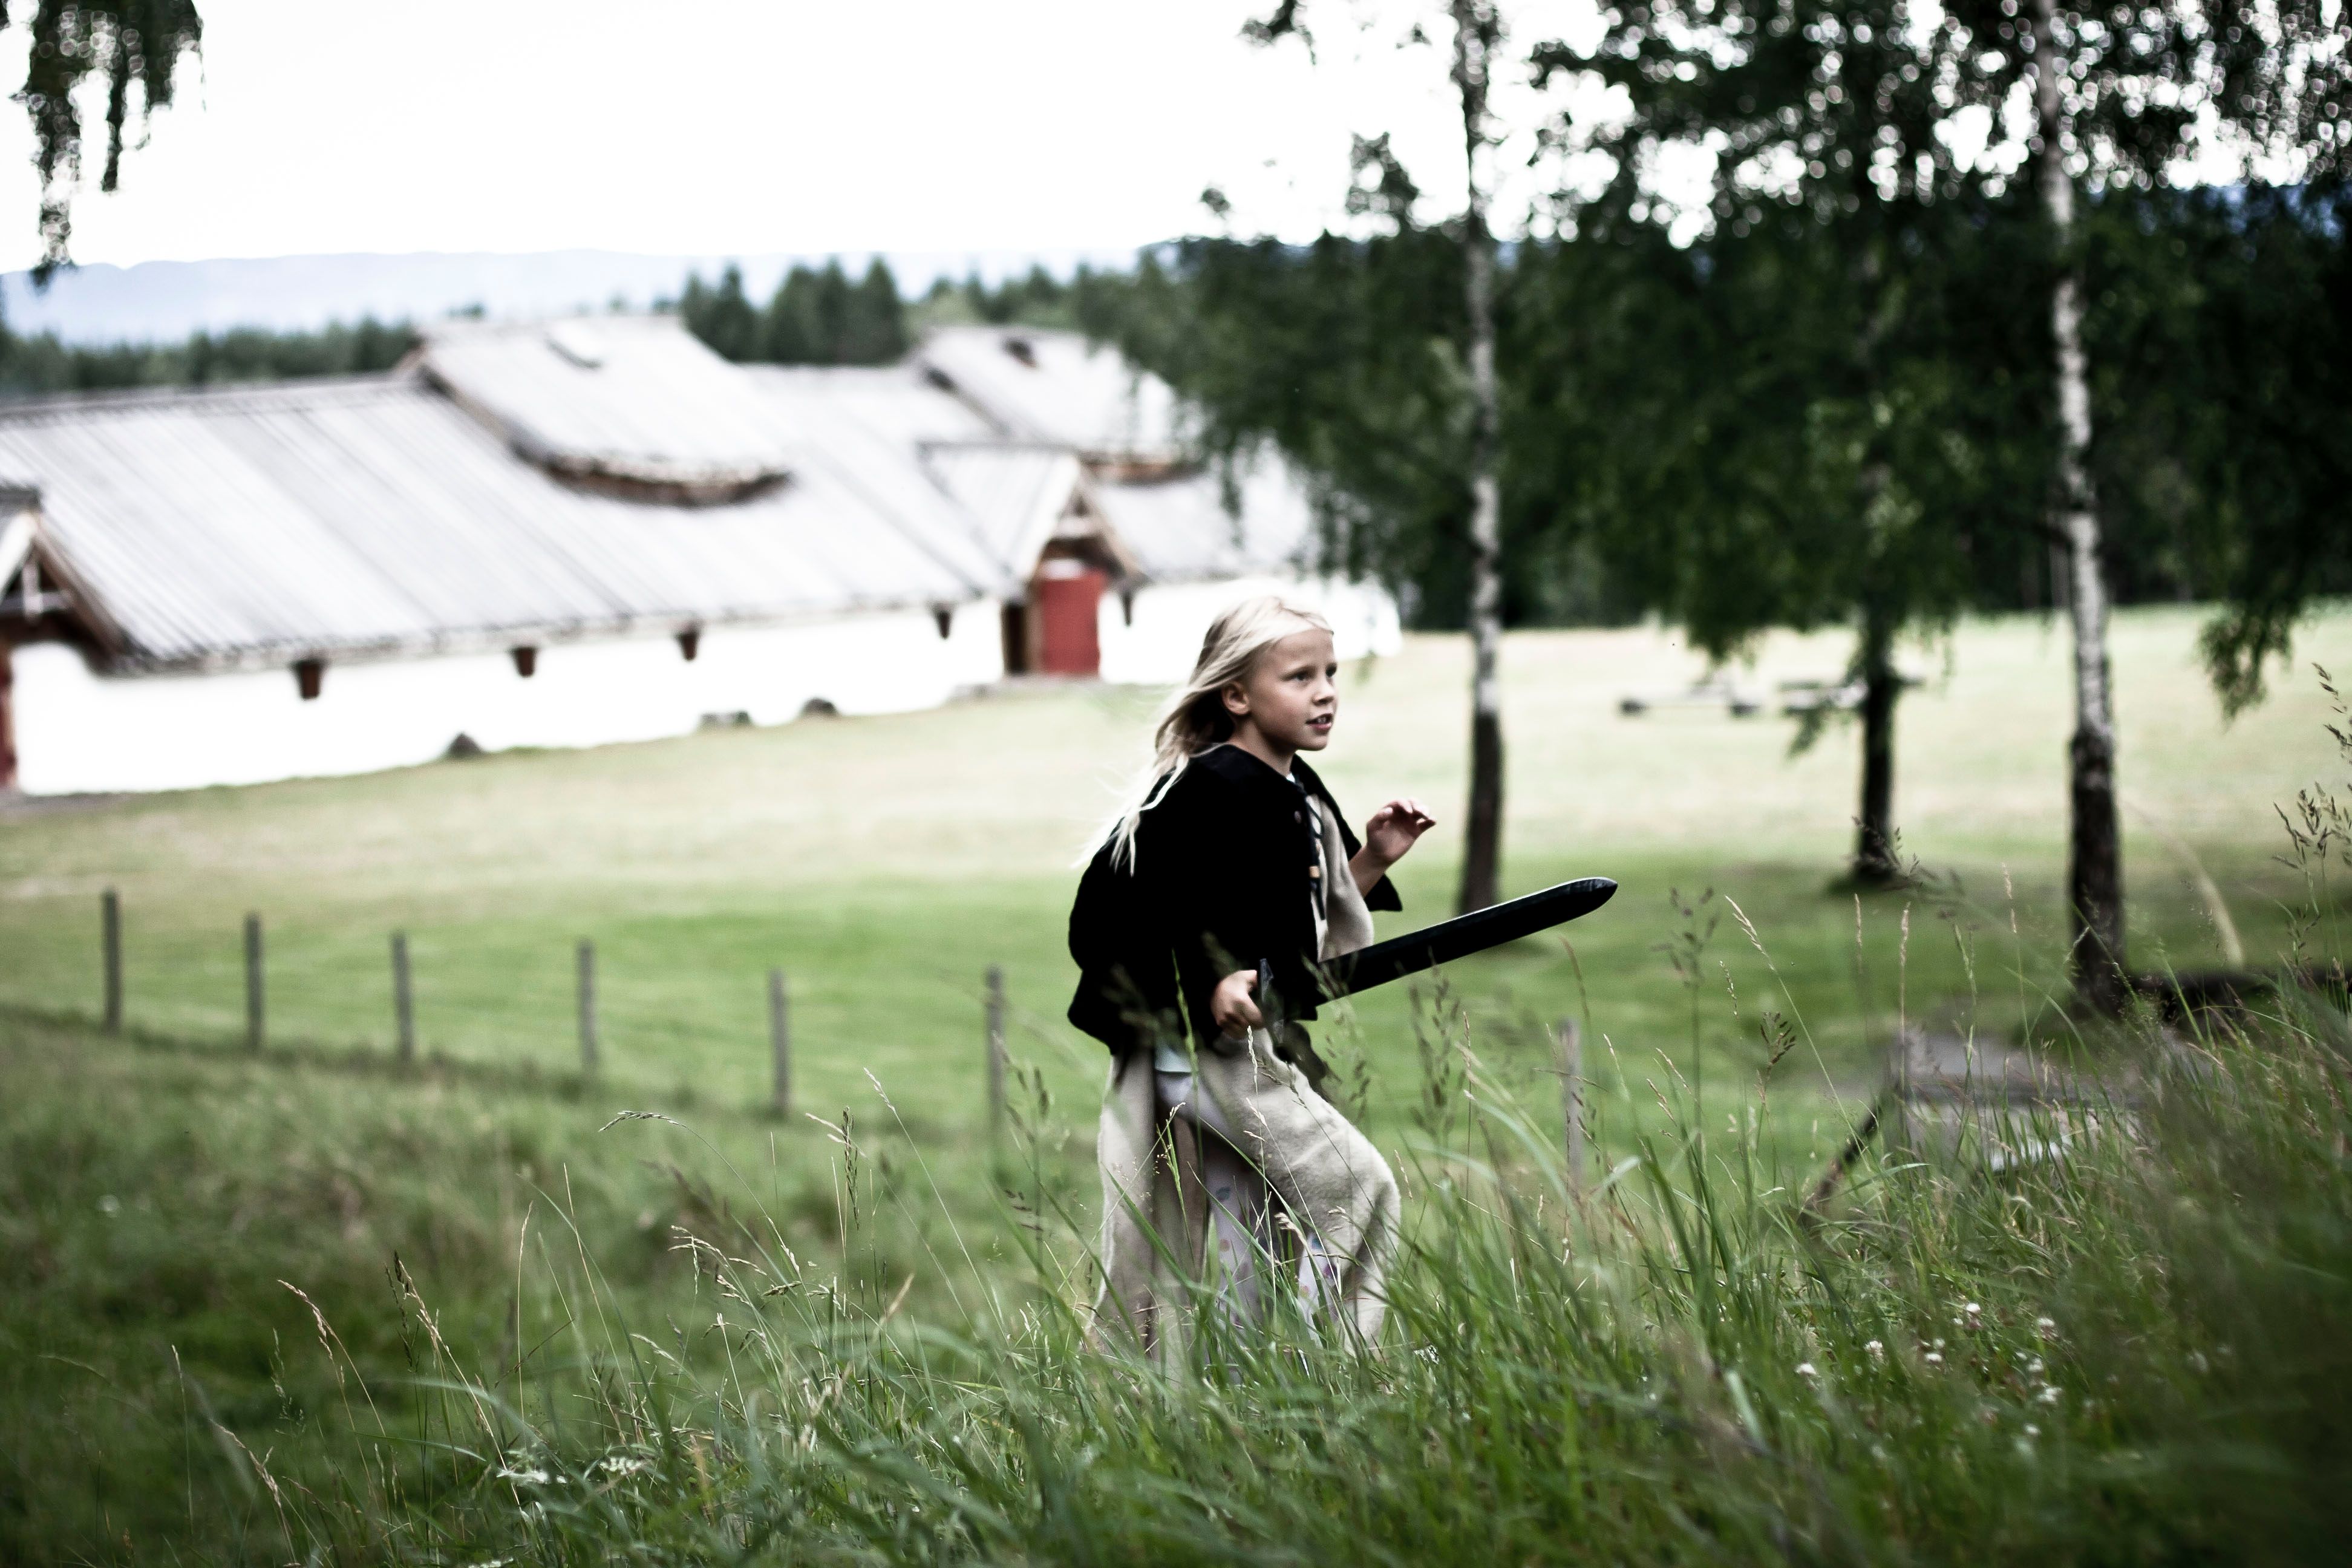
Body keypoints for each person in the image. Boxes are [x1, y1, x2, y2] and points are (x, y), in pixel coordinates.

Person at [1067, 596, 1435, 1355]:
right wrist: (1209, 984)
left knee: (1244, 1230)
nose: (1326, 691)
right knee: (1357, 1185)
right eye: (1299, 676)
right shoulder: (1201, 788)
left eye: (1330, 673)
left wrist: (1368, 861)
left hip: (1241, 1050)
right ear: (1236, 696)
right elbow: (1120, 911)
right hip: (1204, 1055)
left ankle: (1248, 1385)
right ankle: (1336, 1370)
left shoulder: (1293, 793)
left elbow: (1292, 938)